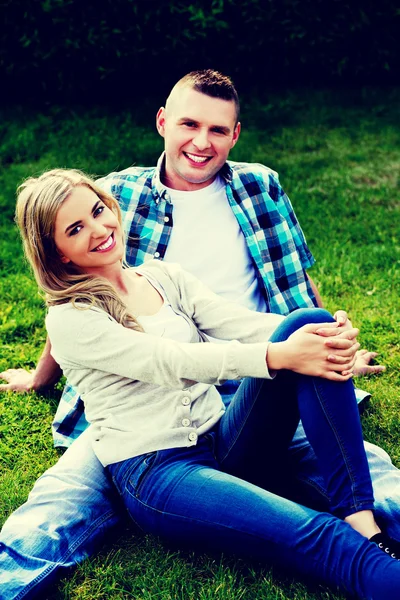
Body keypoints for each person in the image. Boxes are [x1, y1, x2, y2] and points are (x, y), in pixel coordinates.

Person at [0, 70, 397, 599]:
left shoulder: (172, 263)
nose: (98, 228)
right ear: (163, 122)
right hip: (153, 461)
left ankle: (364, 523)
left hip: (221, 423)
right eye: (76, 230)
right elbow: (171, 359)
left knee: (311, 330)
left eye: (96, 213)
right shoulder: (74, 312)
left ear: (235, 134)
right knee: (59, 502)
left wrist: (325, 332)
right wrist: (279, 356)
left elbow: (240, 314)